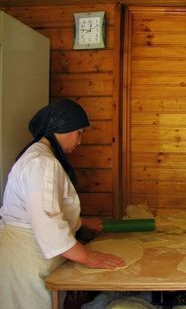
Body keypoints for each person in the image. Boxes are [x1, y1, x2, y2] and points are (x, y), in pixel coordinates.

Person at [0, 99, 125, 309]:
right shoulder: (42, 163)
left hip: (33, 253)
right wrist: (87, 256)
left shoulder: (41, 158)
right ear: (62, 129)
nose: (80, 140)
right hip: (26, 261)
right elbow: (46, 221)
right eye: (79, 133)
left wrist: (81, 222)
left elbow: (42, 209)